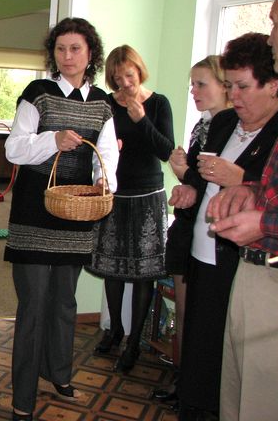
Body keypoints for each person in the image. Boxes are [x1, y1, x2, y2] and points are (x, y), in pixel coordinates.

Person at [166, 33, 278, 420]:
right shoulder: (224, 122)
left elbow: (269, 195)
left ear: (273, 85)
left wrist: (240, 179)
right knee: (199, 350)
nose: (233, 95)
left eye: (243, 86)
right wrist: (190, 191)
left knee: (229, 363)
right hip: (203, 253)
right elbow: (202, 181)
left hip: (242, 263)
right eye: (229, 85)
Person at [4, 17, 119, 421]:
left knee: (65, 302)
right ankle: (23, 395)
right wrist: (52, 140)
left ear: (91, 54)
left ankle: (59, 374)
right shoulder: (38, 93)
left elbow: (107, 154)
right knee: (34, 304)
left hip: (77, 211)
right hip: (34, 212)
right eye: (60, 49)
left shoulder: (102, 103)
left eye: (76, 49)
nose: (67, 56)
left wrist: (105, 179)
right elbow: (14, 149)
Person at [207, 0, 278, 421]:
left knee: (262, 403)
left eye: (275, 22)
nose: (271, 37)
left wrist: (264, 220)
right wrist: (253, 191)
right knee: (236, 398)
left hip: (276, 273)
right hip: (253, 270)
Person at [86, 45, 174, 374]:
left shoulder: (159, 103)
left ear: (139, 71)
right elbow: (98, 146)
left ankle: (134, 341)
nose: (124, 83)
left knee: (143, 272)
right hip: (115, 194)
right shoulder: (107, 105)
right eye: (117, 77)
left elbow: (166, 150)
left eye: (129, 75)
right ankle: (115, 330)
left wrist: (141, 120)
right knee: (112, 267)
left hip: (148, 196)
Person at [154, 55, 229, 406]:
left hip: (215, 238)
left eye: (201, 84)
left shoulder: (231, 129)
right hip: (189, 230)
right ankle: (184, 384)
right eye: (192, 85)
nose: (194, 91)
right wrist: (185, 177)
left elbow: (214, 186)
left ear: (224, 85)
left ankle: (196, 390)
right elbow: (200, 186)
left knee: (204, 319)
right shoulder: (204, 126)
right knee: (185, 314)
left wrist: (183, 173)